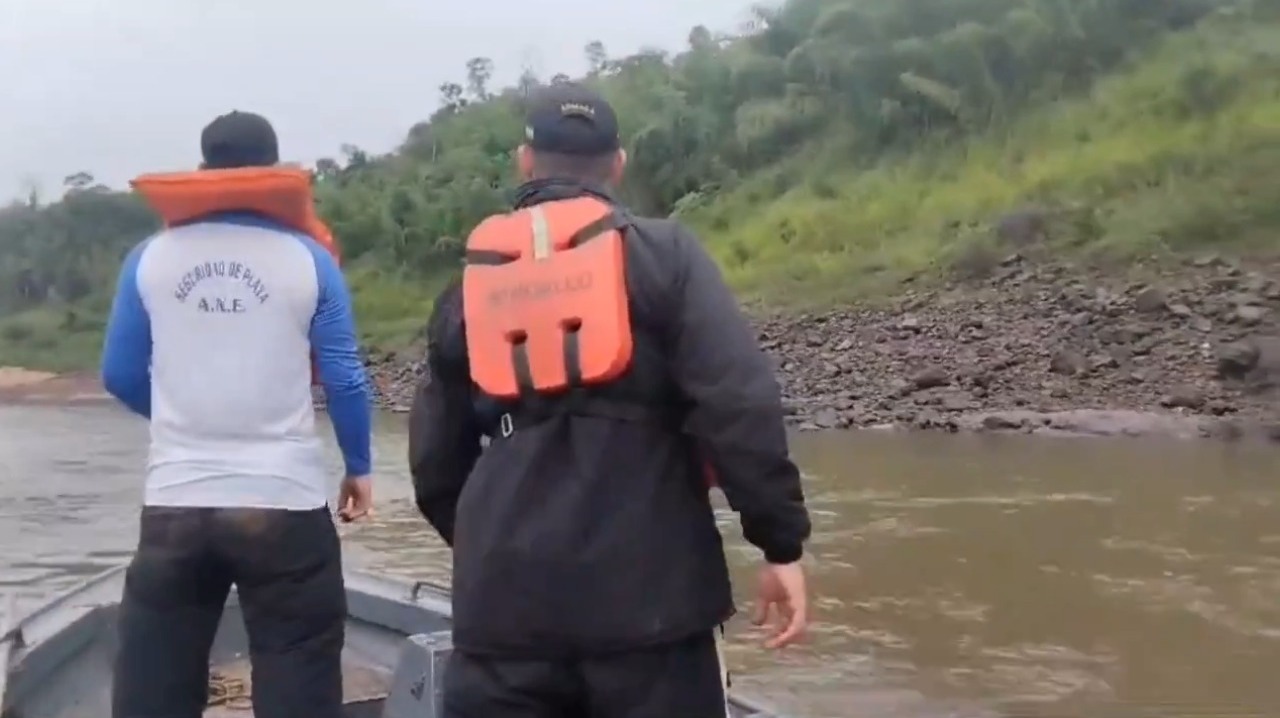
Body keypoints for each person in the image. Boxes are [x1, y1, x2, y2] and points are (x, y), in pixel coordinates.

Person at [409, 83, 812, 718]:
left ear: (524, 161)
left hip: (503, 612)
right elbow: (739, 406)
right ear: (618, 164)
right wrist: (780, 543)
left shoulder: (470, 286)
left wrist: (490, 548)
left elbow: (433, 462)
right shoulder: (666, 255)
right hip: (650, 607)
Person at [101, 110, 374, 718]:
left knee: (156, 675)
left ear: (202, 172)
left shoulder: (149, 258)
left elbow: (119, 374)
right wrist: (358, 465)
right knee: (296, 659)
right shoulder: (309, 259)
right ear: (274, 174)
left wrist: (181, 419)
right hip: (283, 504)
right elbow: (345, 377)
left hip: (177, 502)